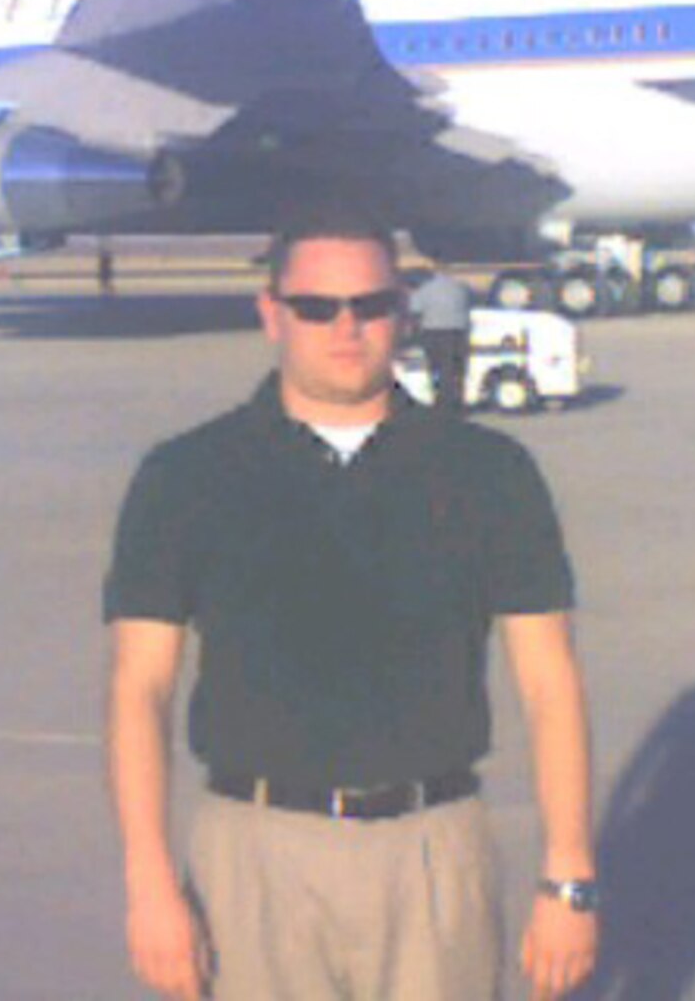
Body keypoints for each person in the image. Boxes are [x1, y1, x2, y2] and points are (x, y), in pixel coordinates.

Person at [104, 212, 598, 1001]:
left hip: (434, 850)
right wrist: (151, 886)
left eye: (370, 305)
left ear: (402, 312)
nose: (347, 327)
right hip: (253, 855)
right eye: (317, 307)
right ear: (272, 314)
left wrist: (568, 880)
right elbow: (140, 689)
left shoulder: (487, 472)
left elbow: (550, 684)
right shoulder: (186, 477)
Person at [407, 260, 475, 415]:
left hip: (434, 333)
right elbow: (471, 302)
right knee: (456, 370)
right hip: (458, 332)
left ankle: (441, 403)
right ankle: (457, 402)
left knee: (437, 369)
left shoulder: (426, 289)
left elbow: (414, 308)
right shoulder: (461, 287)